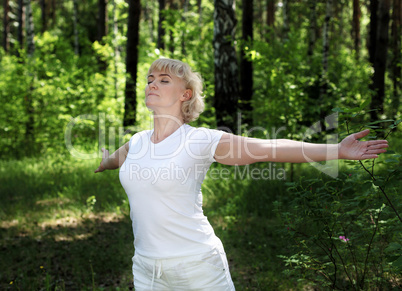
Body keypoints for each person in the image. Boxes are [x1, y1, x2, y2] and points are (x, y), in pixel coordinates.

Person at [94, 58, 388, 291]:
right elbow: (119, 159)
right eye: (149, 79)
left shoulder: (199, 140)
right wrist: (106, 162)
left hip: (196, 267)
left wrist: (336, 149)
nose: (152, 84)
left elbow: (270, 147)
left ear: (185, 94)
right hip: (146, 269)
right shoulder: (138, 141)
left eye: (163, 80)